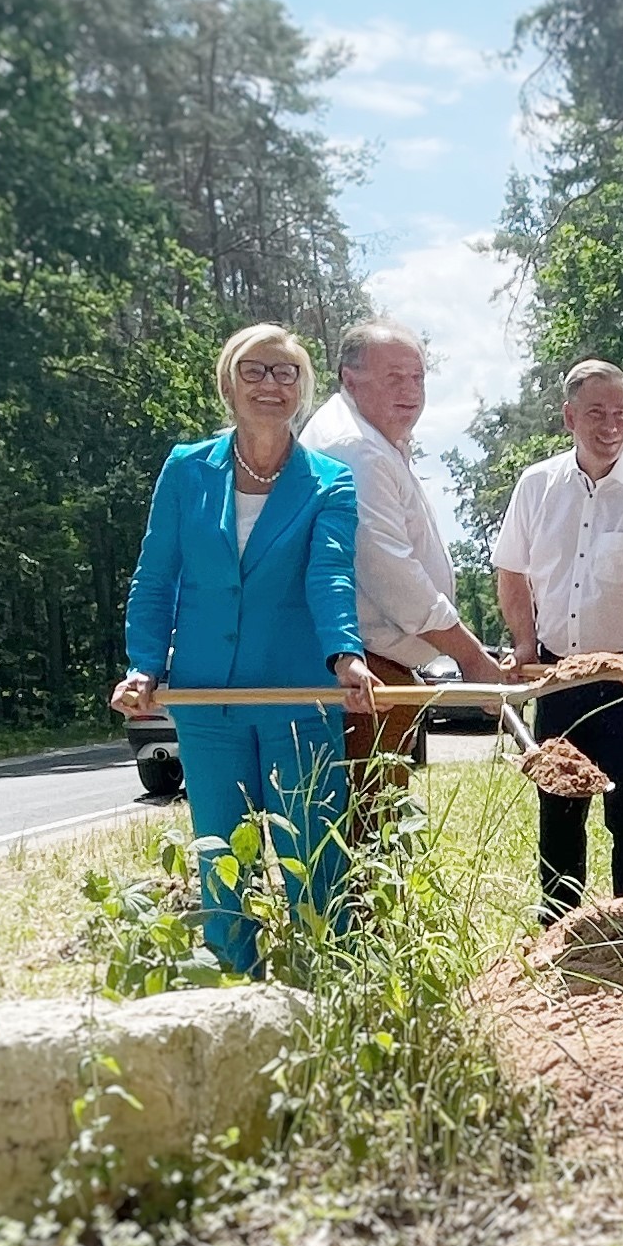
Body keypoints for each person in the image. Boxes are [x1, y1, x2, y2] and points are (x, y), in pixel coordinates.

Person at [111, 324, 382, 976]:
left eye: (286, 374)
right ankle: (235, 988)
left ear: (302, 389)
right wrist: (145, 665)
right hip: (209, 699)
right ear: (229, 382)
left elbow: (331, 574)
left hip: (296, 697)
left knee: (312, 856)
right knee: (222, 862)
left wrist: (345, 654)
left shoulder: (329, 482)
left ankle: (323, 991)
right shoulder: (186, 470)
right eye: (256, 371)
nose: (271, 385)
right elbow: (157, 575)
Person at [493, 359, 623, 918]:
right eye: (596, 413)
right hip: (557, 673)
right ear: (568, 417)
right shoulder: (537, 485)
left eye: (620, 414)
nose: (609, 426)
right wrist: (525, 647)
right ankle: (560, 926)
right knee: (557, 805)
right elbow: (511, 571)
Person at [301, 319, 506, 831]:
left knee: (373, 823)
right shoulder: (356, 448)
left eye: (417, 378)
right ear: (350, 379)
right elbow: (394, 577)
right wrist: (471, 656)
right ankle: (357, 914)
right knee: (363, 831)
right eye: (394, 377)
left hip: (379, 670)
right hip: (361, 672)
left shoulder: (374, 440)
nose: (411, 392)